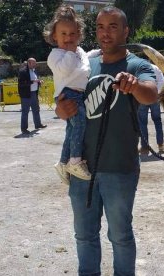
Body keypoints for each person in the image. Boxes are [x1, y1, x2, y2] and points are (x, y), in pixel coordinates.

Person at [55, 6, 157, 276]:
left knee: (120, 236)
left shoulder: (137, 65)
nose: (106, 33)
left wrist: (134, 85)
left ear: (126, 31)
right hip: (82, 169)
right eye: (101, 27)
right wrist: (60, 110)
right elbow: (66, 98)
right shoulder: (86, 64)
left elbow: (150, 94)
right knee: (84, 235)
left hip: (119, 168)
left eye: (113, 26)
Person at [44, 4, 98, 184]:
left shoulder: (79, 51)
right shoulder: (56, 55)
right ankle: (74, 160)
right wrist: (70, 51)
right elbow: (65, 70)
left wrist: (99, 52)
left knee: (71, 130)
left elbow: (86, 59)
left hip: (77, 94)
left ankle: (62, 162)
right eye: (64, 34)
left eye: (73, 34)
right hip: (68, 95)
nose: (69, 38)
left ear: (79, 34)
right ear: (54, 36)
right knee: (80, 124)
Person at [138, 64, 164, 155]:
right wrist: (155, 94)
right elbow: (162, 81)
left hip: (142, 97)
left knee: (142, 122)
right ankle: (161, 145)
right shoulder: (155, 68)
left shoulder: (138, 67)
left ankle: (145, 147)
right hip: (155, 98)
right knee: (157, 120)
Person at [18, 57, 46, 134]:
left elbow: (36, 80)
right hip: (26, 95)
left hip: (34, 93)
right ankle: (24, 129)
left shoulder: (34, 71)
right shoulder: (22, 71)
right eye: (34, 63)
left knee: (36, 110)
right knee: (25, 112)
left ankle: (38, 124)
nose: (35, 64)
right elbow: (21, 83)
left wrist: (39, 81)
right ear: (29, 63)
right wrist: (33, 81)